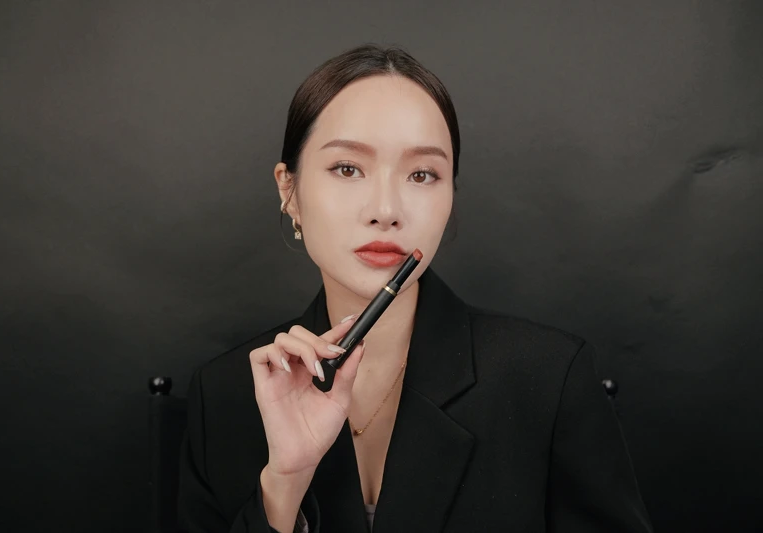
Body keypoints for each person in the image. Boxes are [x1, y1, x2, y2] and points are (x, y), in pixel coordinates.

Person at [177, 43, 654, 533]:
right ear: (289, 190)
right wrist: (284, 485)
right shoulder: (223, 394)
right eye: (347, 169)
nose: (386, 210)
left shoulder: (546, 379)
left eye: (422, 174)